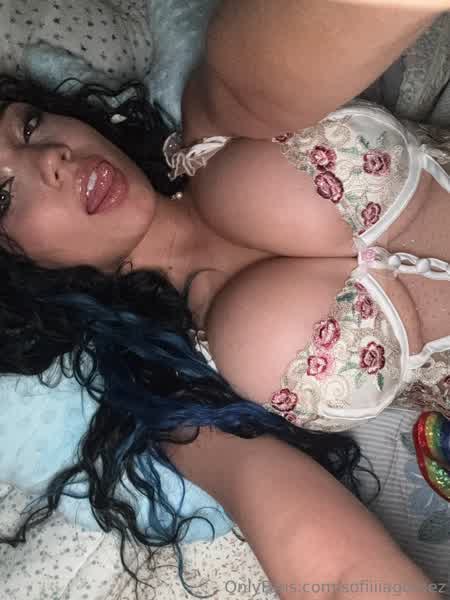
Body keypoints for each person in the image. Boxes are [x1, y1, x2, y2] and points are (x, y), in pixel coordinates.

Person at [0, 1, 449, 599]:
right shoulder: (174, 398)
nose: (49, 159)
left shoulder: (213, 121)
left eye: (29, 127)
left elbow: (340, 21)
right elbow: (333, 567)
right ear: (16, 277)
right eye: (3, 197)